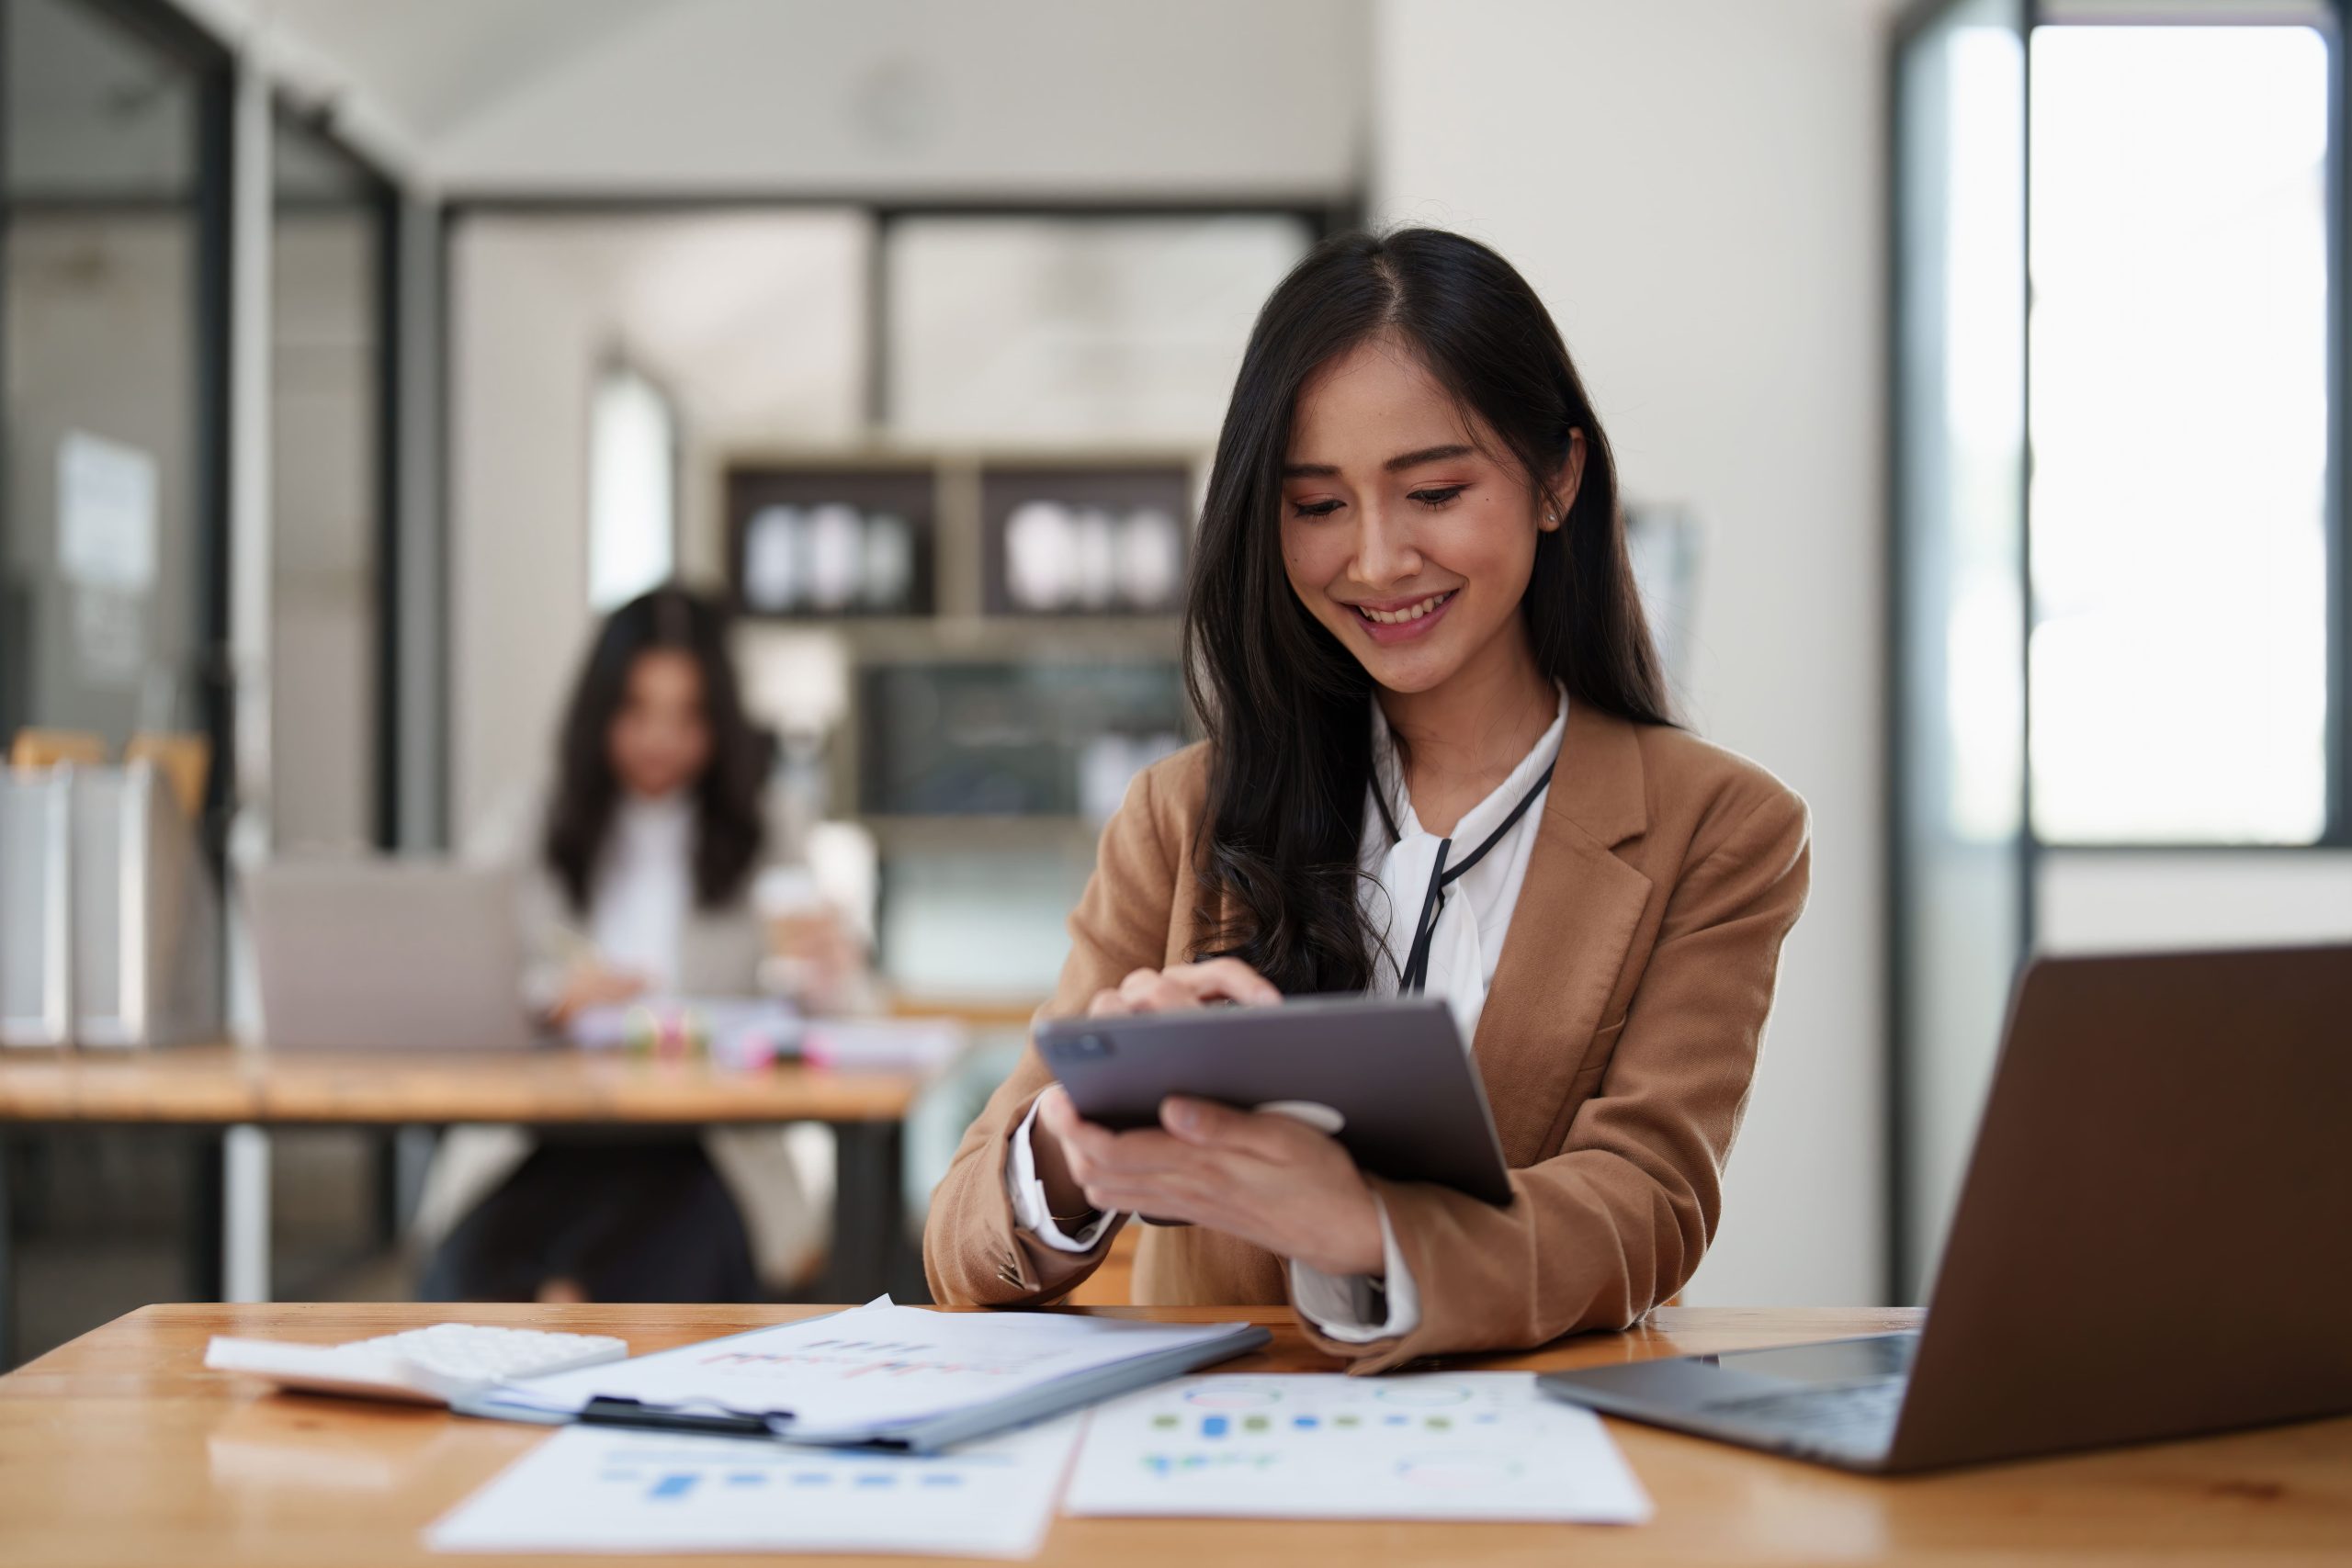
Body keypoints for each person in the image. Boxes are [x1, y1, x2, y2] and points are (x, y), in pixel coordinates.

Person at [923, 228, 1811, 1371]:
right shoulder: (1180, 815)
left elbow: (1648, 1203)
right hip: (1217, 1476)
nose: (1378, 560)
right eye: (1316, 506)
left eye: (1433, 491)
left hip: (1519, 1469)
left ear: (1557, 479)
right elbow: (959, 1245)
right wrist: (1068, 1150)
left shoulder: (1721, 829)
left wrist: (1366, 1232)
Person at [415, 586, 858, 1303]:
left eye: (688, 716)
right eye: (637, 710)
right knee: (469, 1278)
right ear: (599, 712)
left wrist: (828, 977)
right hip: (545, 1141)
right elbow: (452, 978)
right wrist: (551, 1000)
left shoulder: (773, 830)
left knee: (640, 1271)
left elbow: (840, 1012)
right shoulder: (532, 822)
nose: (661, 739)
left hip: (706, 1147)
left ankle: (569, 1335)